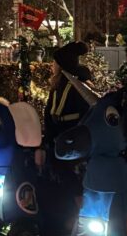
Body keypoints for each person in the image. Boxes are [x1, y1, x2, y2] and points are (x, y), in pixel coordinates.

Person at [36, 40, 94, 169]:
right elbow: (50, 110)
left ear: (62, 65)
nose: (52, 65)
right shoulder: (58, 84)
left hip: (70, 138)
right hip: (57, 135)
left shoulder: (77, 85)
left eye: (55, 62)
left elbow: (84, 112)